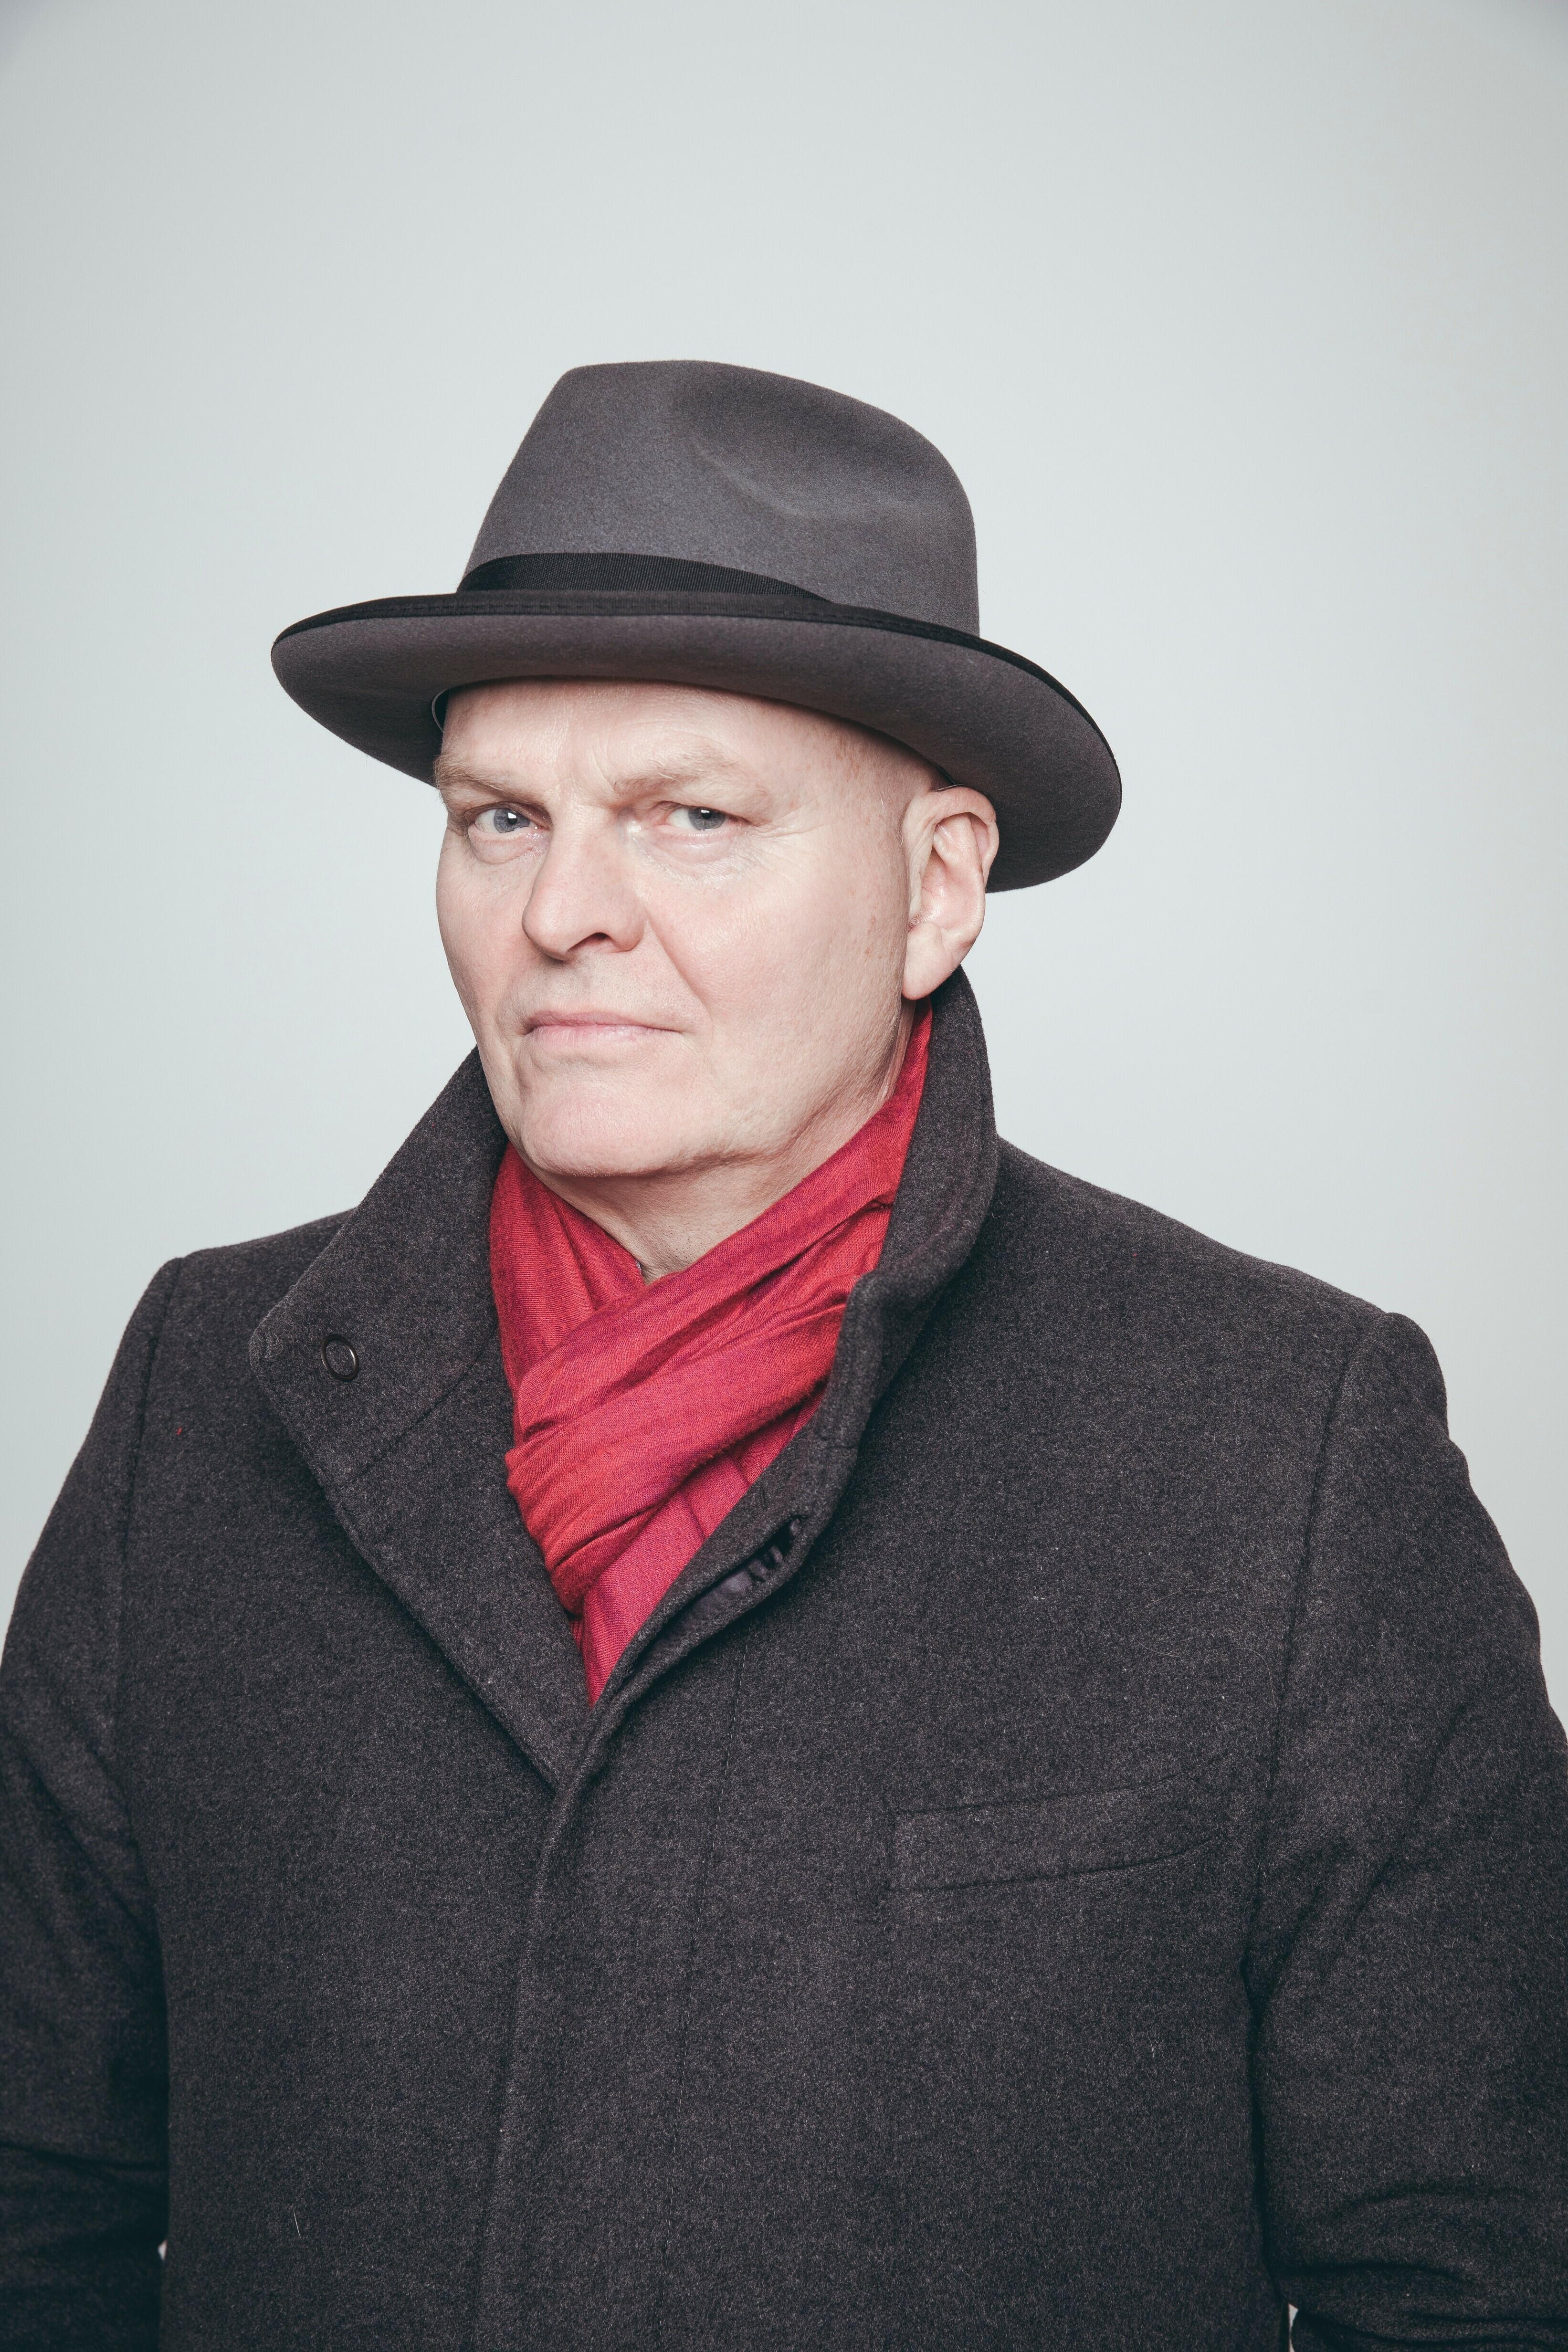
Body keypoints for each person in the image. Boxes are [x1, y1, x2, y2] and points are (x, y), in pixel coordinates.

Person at [1, 361, 1564, 2352]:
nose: (563, 913)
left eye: (693, 817)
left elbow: (1478, 2285)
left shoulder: (1287, 1447)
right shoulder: (201, 1384)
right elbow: (32, 2203)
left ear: (935, 889)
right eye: (500, 818)